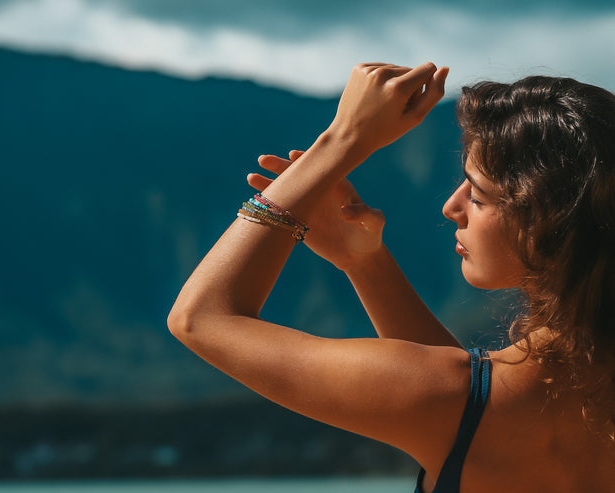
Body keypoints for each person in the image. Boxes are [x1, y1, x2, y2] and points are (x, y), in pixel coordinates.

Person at [167, 62, 615, 492]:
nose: (452, 207)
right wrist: (366, 264)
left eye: (477, 196)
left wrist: (341, 141)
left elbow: (200, 318)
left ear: (547, 221)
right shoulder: (469, 402)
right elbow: (458, 403)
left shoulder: (459, 404)